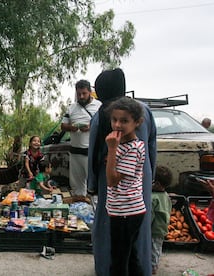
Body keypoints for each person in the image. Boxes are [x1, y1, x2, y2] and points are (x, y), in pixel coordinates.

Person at [88, 68, 157, 276]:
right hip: (139, 180)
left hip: (110, 178)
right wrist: (149, 178)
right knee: (140, 229)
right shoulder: (143, 111)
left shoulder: (104, 115)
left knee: (109, 227)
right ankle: (141, 269)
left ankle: (108, 270)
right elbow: (152, 147)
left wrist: (92, 185)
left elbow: (93, 154)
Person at [104, 96, 146, 275]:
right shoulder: (124, 145)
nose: (118, 125)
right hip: (123, 210)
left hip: (126, 212)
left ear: (137, 122)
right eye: (114, 120)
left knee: (119, 259)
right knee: (129, 255)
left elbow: (112, 180)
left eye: (124, 121)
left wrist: (112, 149)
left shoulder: (133, 148)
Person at [61, 79, 101, 197]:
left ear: (90, 92)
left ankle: (94, 210)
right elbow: (63, 126)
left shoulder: (99, 106)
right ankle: (80, 209)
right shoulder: (72, 108)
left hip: (91, 153)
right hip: (75, 152)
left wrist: (90, 127)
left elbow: (105, 127)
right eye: (79, 94)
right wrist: (71, 128)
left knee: (93, 184)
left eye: (84, 93)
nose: (81, 96)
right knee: (77, 185)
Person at [151, 165, 173, 275]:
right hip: (162, 228)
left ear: (157, 184)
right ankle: (155, 263)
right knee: (157, 248)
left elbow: (149, 217)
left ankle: (152, 267)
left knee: (152, 249)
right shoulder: (166, 196)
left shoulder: (153, 198)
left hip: (154, 230)